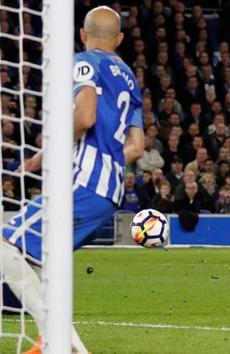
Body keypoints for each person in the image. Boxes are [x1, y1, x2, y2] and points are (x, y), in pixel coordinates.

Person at [1, 6, 145, 354]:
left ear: (82, 34)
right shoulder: (129, 77)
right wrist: (42, 159)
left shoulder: (84, 62)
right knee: (36, 261)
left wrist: (46, 152)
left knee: (5, 246)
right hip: (111, 190)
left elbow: (84, 117)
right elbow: (137, 147)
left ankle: (55, 338)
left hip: (84, 182)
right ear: (120, 38)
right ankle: (72, 346)